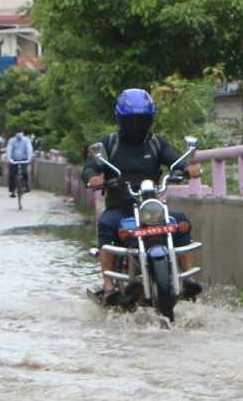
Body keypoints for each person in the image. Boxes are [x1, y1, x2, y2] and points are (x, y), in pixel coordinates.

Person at [83, 89, 200, 300]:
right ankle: (109, 286)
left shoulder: (156, 143)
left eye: (142, 120)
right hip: (121, 207)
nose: (137, 126)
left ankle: (188, 279)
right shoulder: (110, 143)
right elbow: (91, 168)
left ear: (149, 120)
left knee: (181, 223)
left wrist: (187, 167)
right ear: (121, 120)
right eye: (132, 121)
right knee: (107, 225)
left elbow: (174, 160)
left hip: (151, 208)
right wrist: (94, 177)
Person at [5, 128, 35, 195]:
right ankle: (12, 190)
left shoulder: (26, 140)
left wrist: (29, 158)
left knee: (24, 173)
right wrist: (9, 159)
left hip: (24, 160)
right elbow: (9, 149)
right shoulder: (11, 140)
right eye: (17, 132)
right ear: (15, 134)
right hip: (14, 160)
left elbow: (29, 149)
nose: (19, 134)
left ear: (23, 133)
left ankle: (26, 186)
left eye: (20, 132)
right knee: (12, 175)